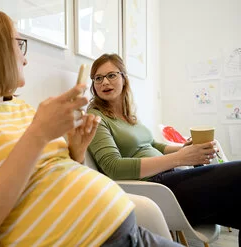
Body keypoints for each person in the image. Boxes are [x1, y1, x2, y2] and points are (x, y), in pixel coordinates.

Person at [0, 8, 183, 247]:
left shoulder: (17, 107)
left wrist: (76, 152)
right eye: (19, 45)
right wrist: (39, 133)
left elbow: (48, 176)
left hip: (130, 230)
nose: (25, 59)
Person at [87, 53, 241, 246]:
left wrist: (185, 148)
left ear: (124, 78)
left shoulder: (128, 115)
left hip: (170, 177)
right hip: (156, 188)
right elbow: (113, 167)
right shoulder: (96, 118)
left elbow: (152, 145)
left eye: (111, 75)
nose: (104, 82)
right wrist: (179, 158)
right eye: (98, 78)